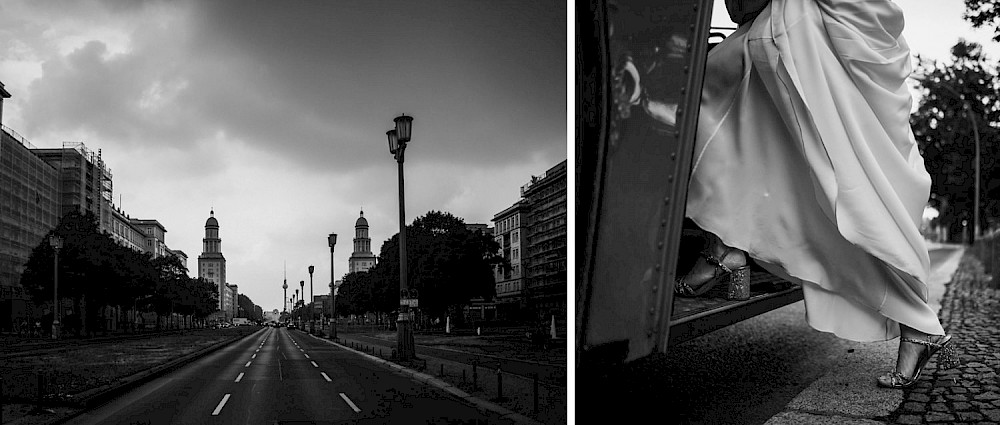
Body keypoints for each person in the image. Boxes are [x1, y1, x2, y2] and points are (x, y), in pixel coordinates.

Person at [675, 0, 958, 388]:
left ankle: (918, 323)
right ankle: (724, 244)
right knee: (839, 184)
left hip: (796, 31)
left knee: (844, 191)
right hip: (799, 30)